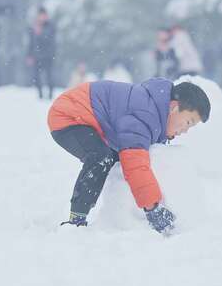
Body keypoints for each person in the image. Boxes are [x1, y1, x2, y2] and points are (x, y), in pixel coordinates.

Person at [47, 77, 211, 235]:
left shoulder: (155, 111)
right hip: (68, 115)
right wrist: (153, 207)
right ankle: (76, 219)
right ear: (174, 108)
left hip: (89, 120)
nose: (185, 131)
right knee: (101, 158)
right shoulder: (145, 115)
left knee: (115, 158)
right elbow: (135, 165)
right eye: (188, 122)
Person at [27, 6, 56, 99]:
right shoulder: (34, 26)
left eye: (44, 15)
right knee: (36, 77)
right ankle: (40, 95)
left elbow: (50, 40)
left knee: (49, 76)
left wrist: (40, 33)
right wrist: (29, 55)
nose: (42, 17)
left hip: (48, 55)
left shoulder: (50, 26)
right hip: (37, 56)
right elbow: (31, 42)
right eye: (40, 15)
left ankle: (50, 95)